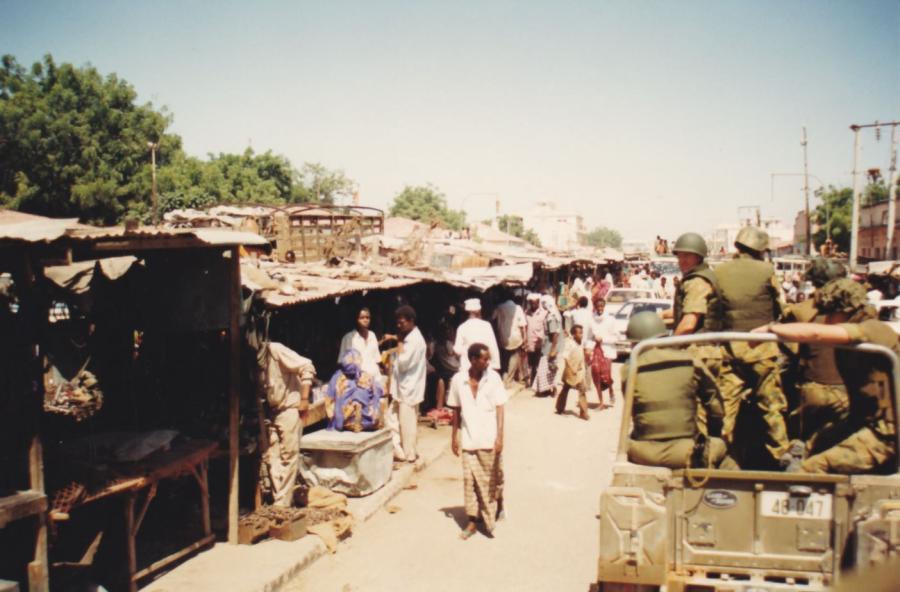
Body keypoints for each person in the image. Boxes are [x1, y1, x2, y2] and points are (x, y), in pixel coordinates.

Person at [757, 278, 897, 474]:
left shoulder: (873, 329)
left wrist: (772, 329)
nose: (825, 319)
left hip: (887, 434)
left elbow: (816, 334)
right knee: (812, 445)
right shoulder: (855, 337)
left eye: (828, 313)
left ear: (845, 310)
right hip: (862, 422)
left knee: (812, 469)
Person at [712, 226, 788, 467]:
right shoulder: (767, 271)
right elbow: (781, 307)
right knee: (771, 406)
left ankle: (719, 456)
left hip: (729, 349)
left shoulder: (720, 271)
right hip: (761, 349)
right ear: (760, 249)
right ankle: (781, 457)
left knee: (726, 408)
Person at [622, 312, 736, 470]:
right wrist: (713, 431)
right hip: (686, 453)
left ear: (635, 342)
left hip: (642, 453)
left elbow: (634, 408)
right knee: (724, 451)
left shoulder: (628, 369)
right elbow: (715, 405)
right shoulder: (689, 360)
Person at [448, 343, 507, 539]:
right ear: (473, 360)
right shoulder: (458, 380)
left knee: (492, 479)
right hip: (468, 438)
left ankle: (495, 505)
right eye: (484, 358)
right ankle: (472, 521)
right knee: (469, 481)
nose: (487, 362)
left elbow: (500, 408)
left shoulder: (494, 378)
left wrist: (500, 436)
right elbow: (455, 409)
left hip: (488, 438)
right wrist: (454, 436)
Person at [263, 342, 316, 506]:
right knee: (273, 459)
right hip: (273, 412)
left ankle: (282, 506)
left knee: (289, 457)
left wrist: (305, 399)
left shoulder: (275, 350)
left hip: (289, 409)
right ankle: (282, 499)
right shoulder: (255, 362)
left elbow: (307, 366)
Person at [386, 305, 427, 462]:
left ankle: (409, 454)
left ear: (411, 321)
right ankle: (400, 451)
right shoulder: (411, 338)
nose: (399, 325)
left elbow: (403, 363)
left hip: (409, 388)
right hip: (404, 387)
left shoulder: (413, 340)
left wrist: (400, 344)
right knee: (393, 418)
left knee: (407, 424)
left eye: (402, 322)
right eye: (398, 322)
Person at [663, 232, 721, 336]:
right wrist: (660, 316)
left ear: (698, 257)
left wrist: (671, 346)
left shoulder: (697, 282)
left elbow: (688, 325)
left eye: (687, 256)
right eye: (679, 257)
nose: (681, 261)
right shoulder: (702, 275)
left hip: (699, 347)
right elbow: (687, 308)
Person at [454, 298, 501, 375]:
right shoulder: (486, 325)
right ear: (479, 311)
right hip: (485, 366)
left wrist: (466, 350)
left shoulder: (462, 327)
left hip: (467, 367)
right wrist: (496, 365)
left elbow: (457, 349)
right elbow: (493, 346)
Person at [491, 290, 527, 387]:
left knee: (505, 358)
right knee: (514, 357)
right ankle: (509, 380)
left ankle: (504, 377)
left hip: (503, 336)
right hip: (516, 337)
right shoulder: (517, 308)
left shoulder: (499, 307)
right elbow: (522, 324)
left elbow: (493, 318)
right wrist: (525, 338)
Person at [338, 307, 383, 385]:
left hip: (376, 379)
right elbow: (342, 362)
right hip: (358, 381)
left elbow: (377, 359)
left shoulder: (372, 335)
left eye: (367, 317)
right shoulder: (348, 338)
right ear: (356, 319)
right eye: (362, 318)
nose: (365, 320)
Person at [554, 324, 590, 420]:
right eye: (579, 333)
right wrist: (571, 369)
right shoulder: (569, 343)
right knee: (565, 389)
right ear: (574, 335)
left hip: (579, 371)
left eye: (582, 333)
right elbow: (565, 357)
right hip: (570, 371)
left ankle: (583, 412)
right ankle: (559, 408)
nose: (581, 335)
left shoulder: (581, 343)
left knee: (582, 391)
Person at [532, 294, 562, 397]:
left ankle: (549, 389)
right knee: (551, 368)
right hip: (551, 346)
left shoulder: (551, 317)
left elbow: (555, 334)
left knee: (546, 368)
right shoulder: (553, 314)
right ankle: (551, 389)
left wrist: (553, 349)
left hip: (550, 347)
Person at [591, 298, 617, 407]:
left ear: (604, 306)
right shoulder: (591, 319)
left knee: (606, 375)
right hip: (595, 350)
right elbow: (588, 335)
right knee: (596, 374)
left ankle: (611, 389)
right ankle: (601, 402)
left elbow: (615, 337)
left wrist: (603, 339)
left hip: (607, 350)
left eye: (602, 306)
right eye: (598, 306)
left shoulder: (610, 319)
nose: (600, 308)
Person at [523, 293, 546, 384]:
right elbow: (525, 327)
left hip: (539, 342)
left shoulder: (543, 313)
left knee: (538, 363)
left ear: (538, 303)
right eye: (531, 303)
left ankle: (537, 382)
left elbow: (545, 328)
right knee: (530, 363)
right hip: (529, 341)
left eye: (535, 303)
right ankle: (531, 381)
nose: (533, 305)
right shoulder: (526, 313)